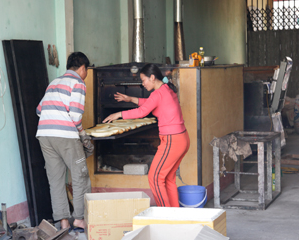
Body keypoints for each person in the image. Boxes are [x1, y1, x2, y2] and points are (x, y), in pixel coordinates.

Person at [103, 63, 190, 207]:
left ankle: (165, 217)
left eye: (144, 80)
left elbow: (142, 112)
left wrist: (119, 114)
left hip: (172, 140)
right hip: (182, 139)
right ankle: (175, 216)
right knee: (168, 179)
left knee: (155, 178)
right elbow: (150, 103)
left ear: (153, 77)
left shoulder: (158, 93)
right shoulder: (166, 89)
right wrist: (130, 99)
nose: (143, 84)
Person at [36, 52, 94, 230]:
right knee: (80, 175)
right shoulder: (78, 83)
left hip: (45, 135)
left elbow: (39, 110)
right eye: (87, 70)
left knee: (56, 178)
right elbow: (75, 115)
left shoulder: (53, 82)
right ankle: (79, 219)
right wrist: (83, 134)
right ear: (83, 68)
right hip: (65, 135)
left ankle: (62, 222)